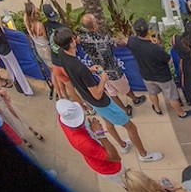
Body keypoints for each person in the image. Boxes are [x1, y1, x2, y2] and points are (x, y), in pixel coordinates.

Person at [52, 26, 163, 162]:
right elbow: (97, 94)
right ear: (72, 41)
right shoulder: (80, 69)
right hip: (102, 102)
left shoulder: (62, 54)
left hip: (91, 102)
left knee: (108, 122)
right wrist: (103, 79)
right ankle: (144, 154)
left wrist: (90, 69)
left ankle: (123, 145)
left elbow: (76, 71)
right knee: (131, 127)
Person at [77, 12, 146, 112]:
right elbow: (120, 43)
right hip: (113, 71)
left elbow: (77, 39)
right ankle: (135, 100)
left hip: (100, 72)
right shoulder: (104, 38)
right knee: (125, 88)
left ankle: (125, 110)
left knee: (111, 92)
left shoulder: (82, 38)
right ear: (94, 24)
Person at [127, 18, 189, 118]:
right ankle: (181, 113)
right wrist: (157, 44)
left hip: (146, 75)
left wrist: (150, 40)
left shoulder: (131, 42)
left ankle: (157, 108)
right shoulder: (156, 48)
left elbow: (135, 42)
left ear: (135, 31)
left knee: (152, 93)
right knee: (172, 96)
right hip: (163, 77)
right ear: (148, 30)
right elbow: (170, 60)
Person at [55, 99, 123, 186]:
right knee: (130, 185)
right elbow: (116, 158)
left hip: (98, 155)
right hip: (109, 168)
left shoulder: (63, 118)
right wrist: (100, 134)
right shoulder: (83, 143)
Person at [0, 0, 33, 95]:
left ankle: (15, 83)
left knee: (9, 68)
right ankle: (26, 90)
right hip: (6, 50)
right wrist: (0, 25)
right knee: (16, 69)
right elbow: (3, 38)